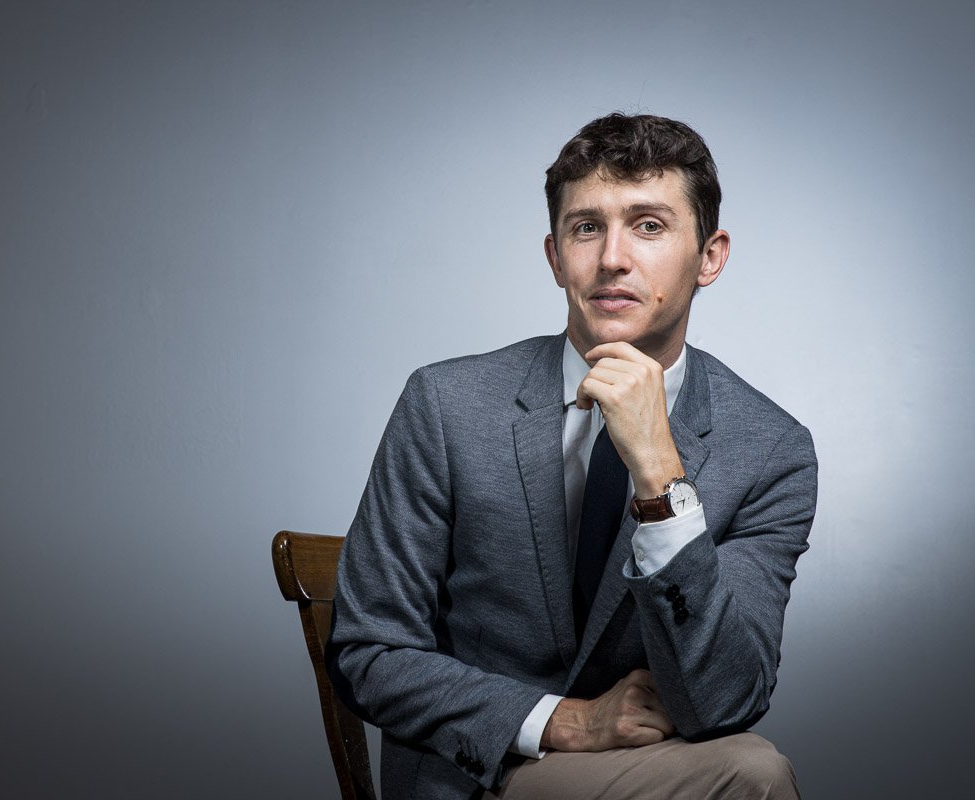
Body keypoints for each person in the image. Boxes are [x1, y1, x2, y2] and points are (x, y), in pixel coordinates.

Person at [327, 113, 818, 799]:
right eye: (587, 227)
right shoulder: (446, 405)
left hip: (649, 775)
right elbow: (367, 652)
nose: (612, 257)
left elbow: (725, 700)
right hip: (483, 774)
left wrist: (660, 476)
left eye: (649, 226)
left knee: (751, 768)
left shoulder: (770, 449)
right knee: (754, 778)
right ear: (556, 254)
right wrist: (569, 722)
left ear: (710, 256)